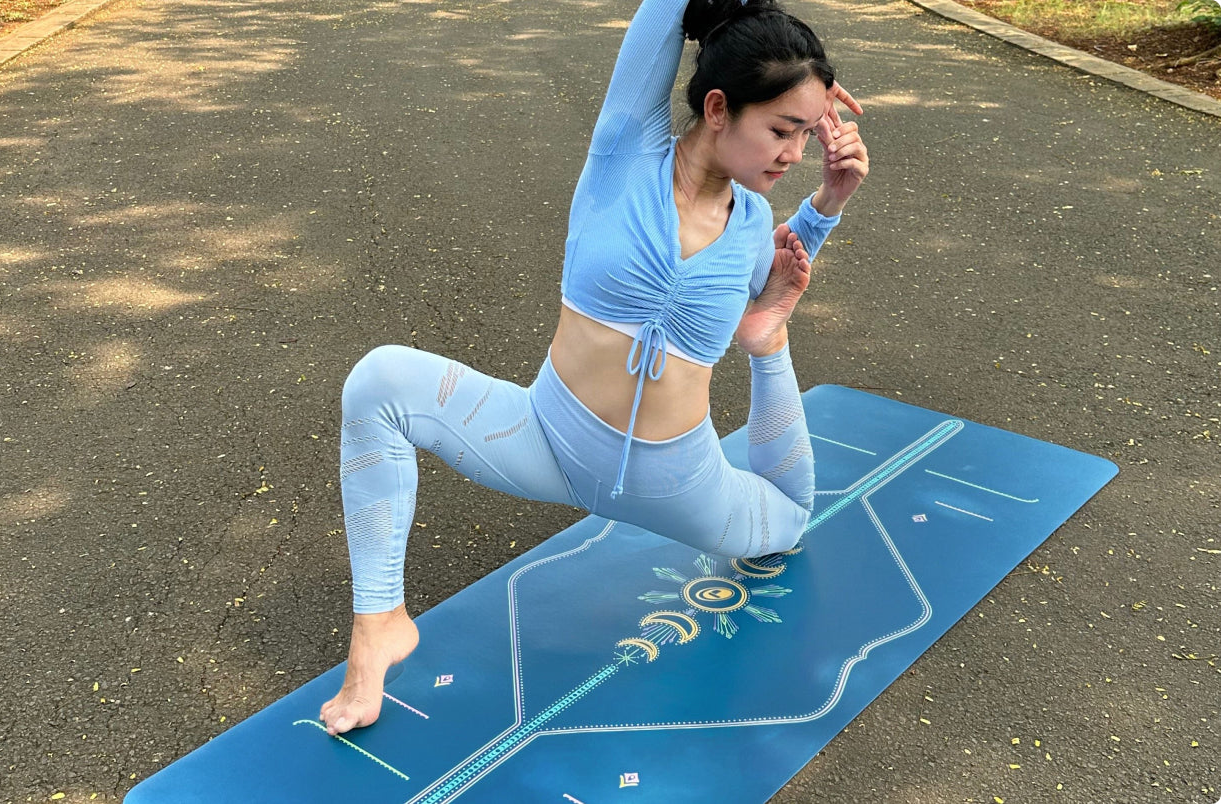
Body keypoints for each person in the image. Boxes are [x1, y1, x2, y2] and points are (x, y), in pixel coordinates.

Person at [319, 0, 869, 735]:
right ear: (717, 108)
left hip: (682, 481)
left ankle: (770, 349)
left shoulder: (748, 232)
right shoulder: (626, 152)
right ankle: (378, 625)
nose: (794, 154)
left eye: (805, 134)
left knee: (790, 518)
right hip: (549, 439)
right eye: (780, 129)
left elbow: (781, 268)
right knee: (379, 381)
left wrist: (828, 205)